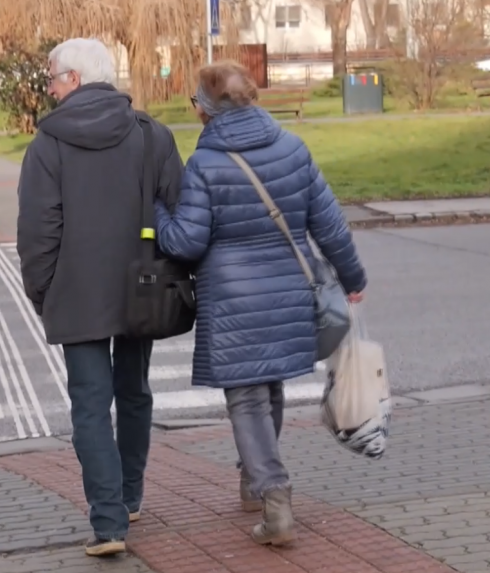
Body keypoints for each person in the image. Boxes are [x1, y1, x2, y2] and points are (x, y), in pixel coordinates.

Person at [152, 61, 367, 547]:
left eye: (194, 103)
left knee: (247, 397)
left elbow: (185, 242)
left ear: (206, 110)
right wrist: (353, 278)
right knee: (268, 385)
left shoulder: (205, 164)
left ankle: (274, 497)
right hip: (289, 292)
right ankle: (254, 483)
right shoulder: (292, 147)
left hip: (232, 303)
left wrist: (157, 212)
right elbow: (330, 224)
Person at [16, 38, 183, 558]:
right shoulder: (152, 135)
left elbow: (39, 229)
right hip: (143, 288)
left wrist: (42, 291)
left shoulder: (48, 144)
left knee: (90, 406)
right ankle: (130, 496)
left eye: (52, 78)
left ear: (76, 80)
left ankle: (109, 524)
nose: (48, 88)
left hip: (77, 291)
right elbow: (178, 212)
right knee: (134, 392)